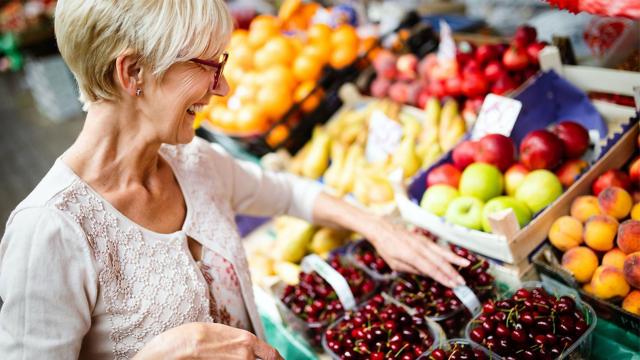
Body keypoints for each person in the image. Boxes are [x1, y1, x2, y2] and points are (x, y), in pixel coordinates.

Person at [0, 1, 469, 359]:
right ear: (133, 72)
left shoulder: (193, 161)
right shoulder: (50, 232)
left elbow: (289, 192)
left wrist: (377, 227)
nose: (223, 88)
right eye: (208, 67)